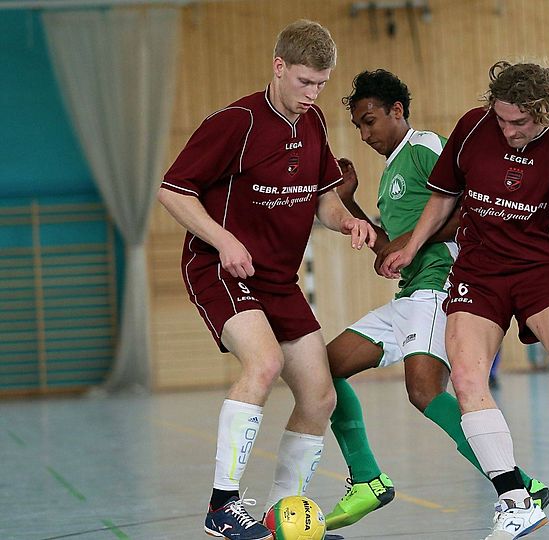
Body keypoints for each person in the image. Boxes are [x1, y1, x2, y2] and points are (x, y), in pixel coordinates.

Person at [382, 60, 549, 540]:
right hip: (480, 270)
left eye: (520, 122)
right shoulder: (473, 128)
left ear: (546, 113)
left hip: (541, 270)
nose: (508, 130)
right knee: (469, 377)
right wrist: (411, 247)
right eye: (501, 118)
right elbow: (442, 198)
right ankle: (514, 500)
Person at [157, 20, 375, 540]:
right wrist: (224, 240)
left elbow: (324, 199)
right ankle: (222, 506)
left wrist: (346, 219)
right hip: (219, 267)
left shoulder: (316, 121)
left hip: (279, 278)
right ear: (279, 68)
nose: (312, 94)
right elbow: (173, 191)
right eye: (304, 82)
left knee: (320, 395)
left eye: (321, 84)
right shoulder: (235, 123)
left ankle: (285, 517)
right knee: (265, 362)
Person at [321, 69, 549, 531]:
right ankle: (367, 478)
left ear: (397, 111)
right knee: (323, 370)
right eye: (358, 127)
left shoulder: (426, 147)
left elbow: (471, 208)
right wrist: (351, 205)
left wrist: (408, 242)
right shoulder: (391, 174)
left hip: (440, 283)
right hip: (409, 292)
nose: (364, 135)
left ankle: (520, 485)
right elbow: (392, 246)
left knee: (425, 390)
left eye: (370, 121)